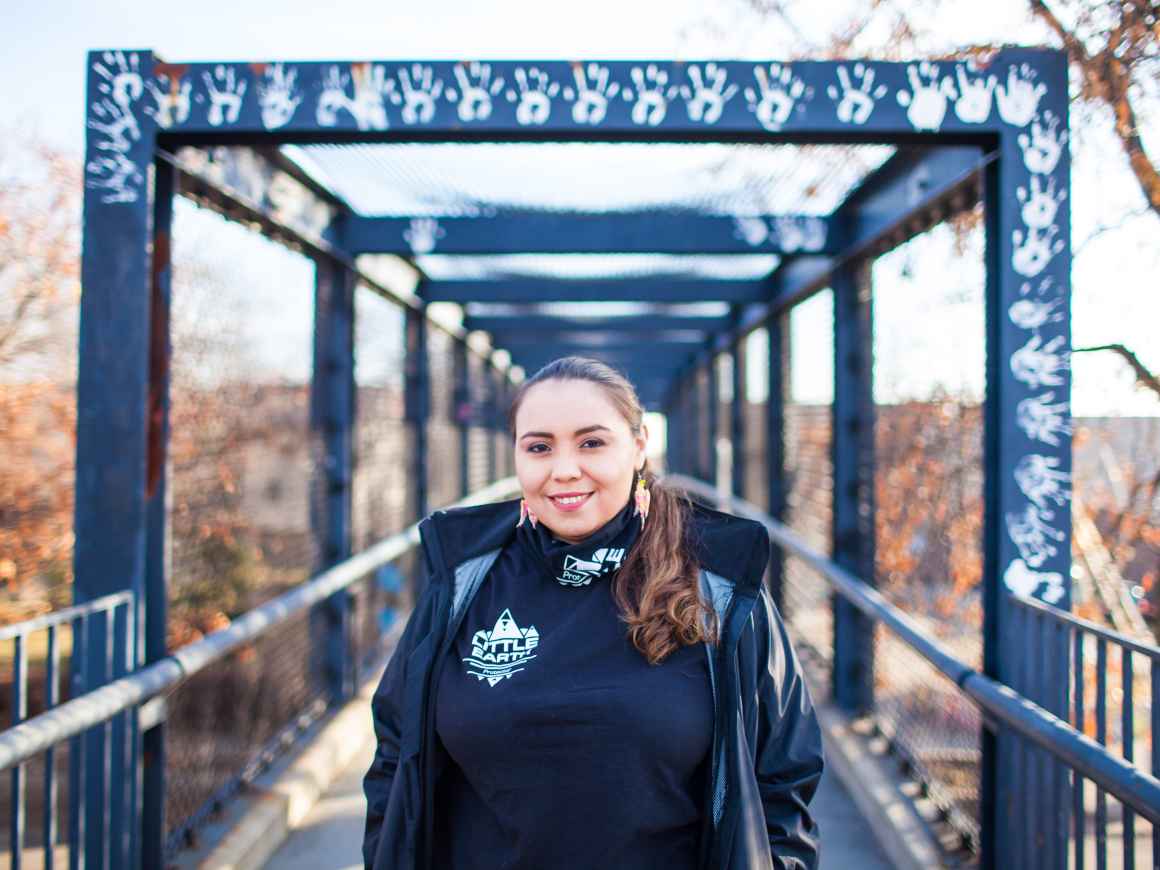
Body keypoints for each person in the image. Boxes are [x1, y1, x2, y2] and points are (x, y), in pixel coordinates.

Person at [362, 356, 823, 870]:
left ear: (639, 445)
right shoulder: (463, 585)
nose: (563, 470)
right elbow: (395, 755)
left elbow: (783, 775)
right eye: (539, 447)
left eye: (591, 443)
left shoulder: (716, 587)